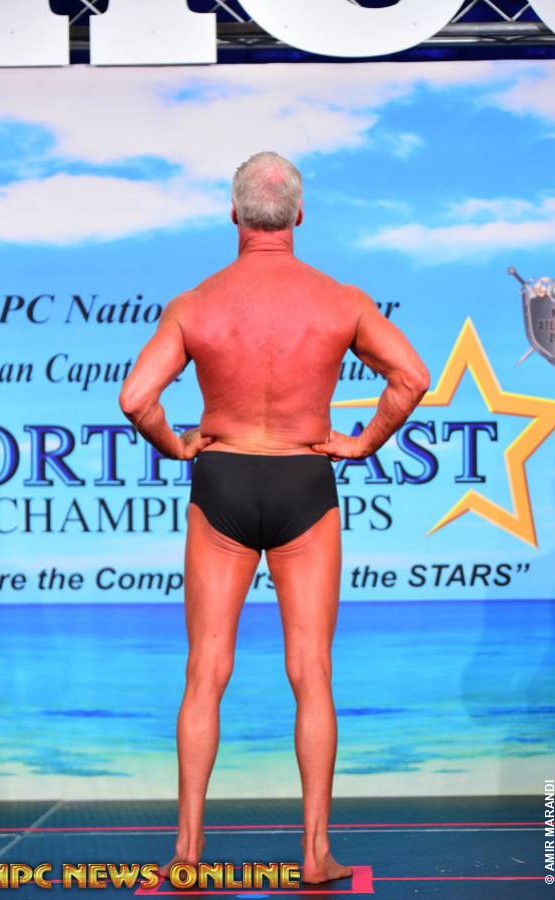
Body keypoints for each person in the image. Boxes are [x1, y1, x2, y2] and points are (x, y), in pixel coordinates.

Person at [119, 151, 429, 884]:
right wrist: (362, 442)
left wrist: (177, 444)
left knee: (205, 671)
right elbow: (412, 377)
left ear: (234, 214)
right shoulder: (341, 300)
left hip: (223, 480)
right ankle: (315, 854)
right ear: (298, 215)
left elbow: (135, 399)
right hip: (303, 480)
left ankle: (187, 854)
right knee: (311, 670)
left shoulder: (195, 304)